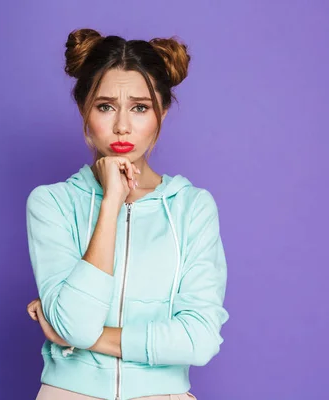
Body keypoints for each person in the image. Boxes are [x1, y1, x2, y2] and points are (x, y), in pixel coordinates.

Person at [25, 28, 229, 400]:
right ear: (84, 110)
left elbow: (199, 340)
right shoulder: (51, 203)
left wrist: (92, 339)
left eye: (140, 107)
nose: (122, 125)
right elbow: (76, 321)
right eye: (105, 106)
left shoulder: (191, 207)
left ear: (162, 113)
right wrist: (111, 203)